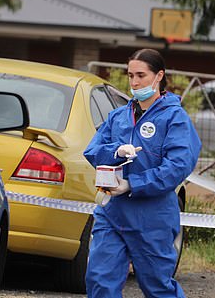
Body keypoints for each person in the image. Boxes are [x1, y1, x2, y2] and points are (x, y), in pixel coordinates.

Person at [83, 48, 201, 298]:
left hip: (153, 218)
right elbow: (92, 151)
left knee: (158, 287)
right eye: (130, 76)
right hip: (113, 213)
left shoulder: (175, 118)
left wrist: (132, 184)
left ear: (159, 76)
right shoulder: (118, 116)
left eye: (141, 75)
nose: (135, 82)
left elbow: (178, 166)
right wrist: (116, 151)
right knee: (100, 280)